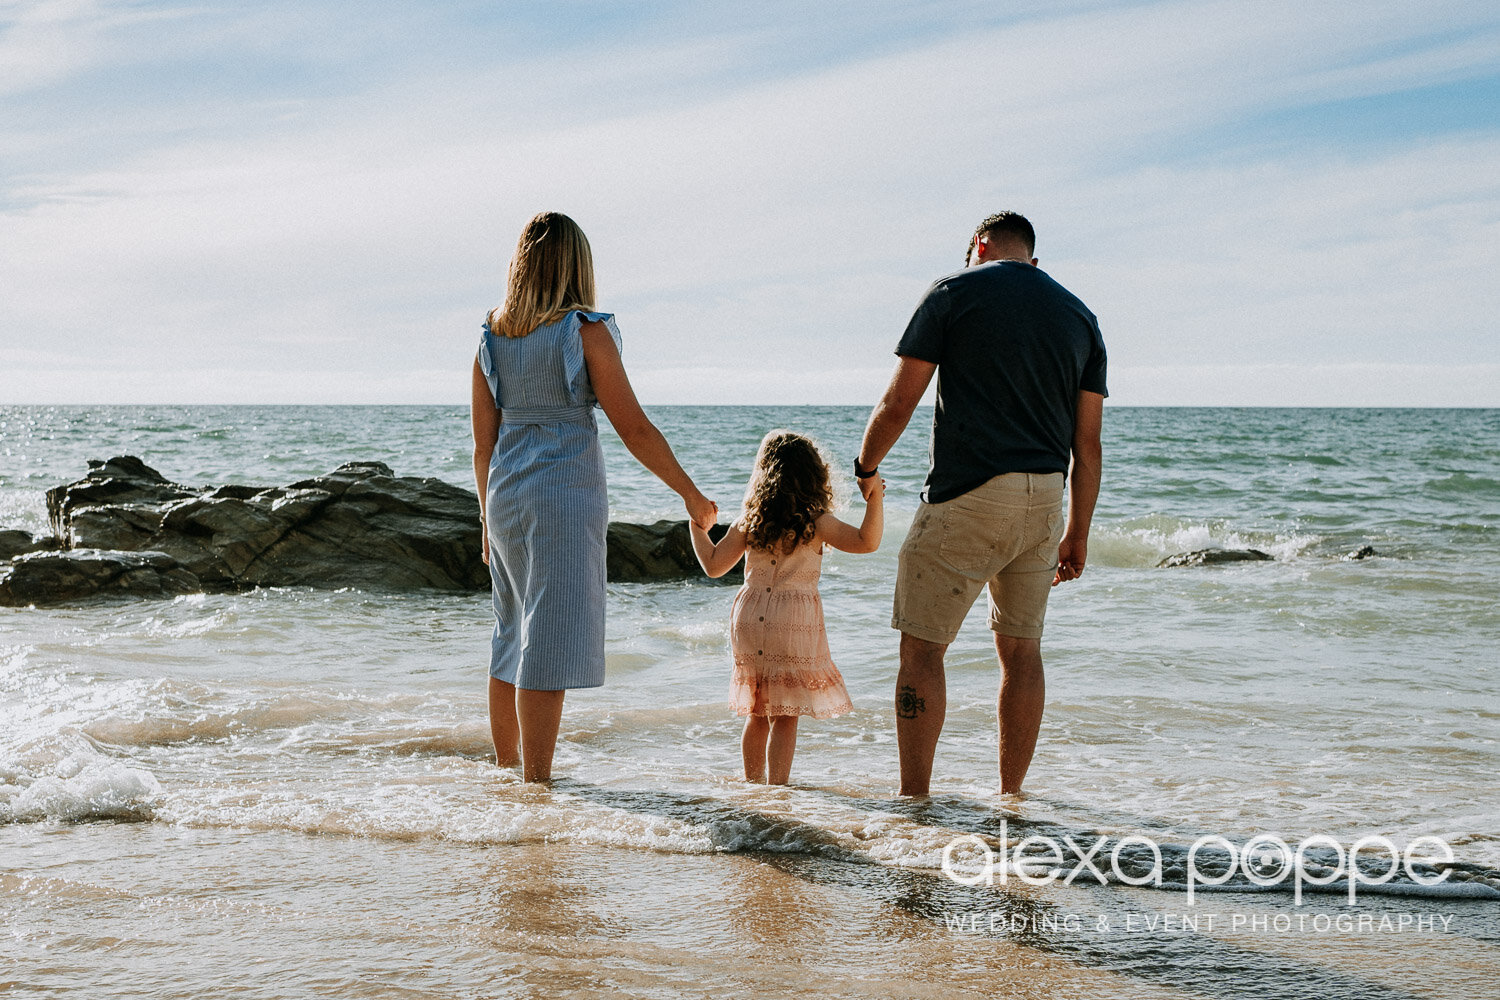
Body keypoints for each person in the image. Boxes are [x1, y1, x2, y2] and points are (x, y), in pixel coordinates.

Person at [854, 211, 1107, 797]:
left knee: (921, 651)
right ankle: (1011, 800)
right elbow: (1087, 445)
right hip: (1044, 499)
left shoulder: (953, 291)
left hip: (969, 495)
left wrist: (867, 467)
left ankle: (915, 801)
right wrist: (1078, 531)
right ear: (1033, 260)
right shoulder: (1080, 317)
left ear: (980, 246)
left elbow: (900, 400)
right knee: (1022, 652)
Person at [471, 211, 717, 783]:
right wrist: (691, 495)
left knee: (511, 630)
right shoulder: (586, 331)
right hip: (562, 495)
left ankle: (508, 769)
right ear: (578, 266)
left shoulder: (492, 335)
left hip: (506, 494)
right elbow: (635, 429)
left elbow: (483, 445)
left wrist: (486, 515)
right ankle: (537, 782)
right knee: (548, 637)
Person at [689, 430, 884, 784]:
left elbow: (714, 567)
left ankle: (752, 786)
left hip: (747, 616)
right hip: (792, 618)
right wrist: (875, 500)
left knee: (756, 709)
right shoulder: (816, 520)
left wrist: (697, 528)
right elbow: (866, 542)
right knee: (786, 713)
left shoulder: (750, 519)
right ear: (814, 474)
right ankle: (777, 789)